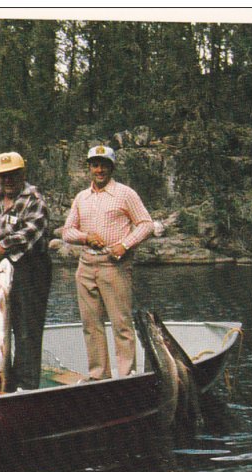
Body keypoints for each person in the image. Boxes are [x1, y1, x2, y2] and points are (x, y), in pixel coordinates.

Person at [62, 145, 154, 380]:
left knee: (121, 324)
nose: (99, 169)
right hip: (85, 266)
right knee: (91, 325)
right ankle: (98, 375)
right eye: (95, 164)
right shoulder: (82, 197)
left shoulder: (126, 194)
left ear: (112, 167)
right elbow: (67, 231)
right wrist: (85, 238)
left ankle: (126, 375)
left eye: (104, 165)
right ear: (89, 168)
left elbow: (146, 224)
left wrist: (125, 244)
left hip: (114, 266)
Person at [0, 151, 52, 391]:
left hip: (30, 269)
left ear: (22, 173)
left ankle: (26, 386)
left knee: (26, 331)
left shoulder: (34, 198)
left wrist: (2, 247)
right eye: (2, 176)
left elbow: (31, 231)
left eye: (13, 175)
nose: (7, 180)